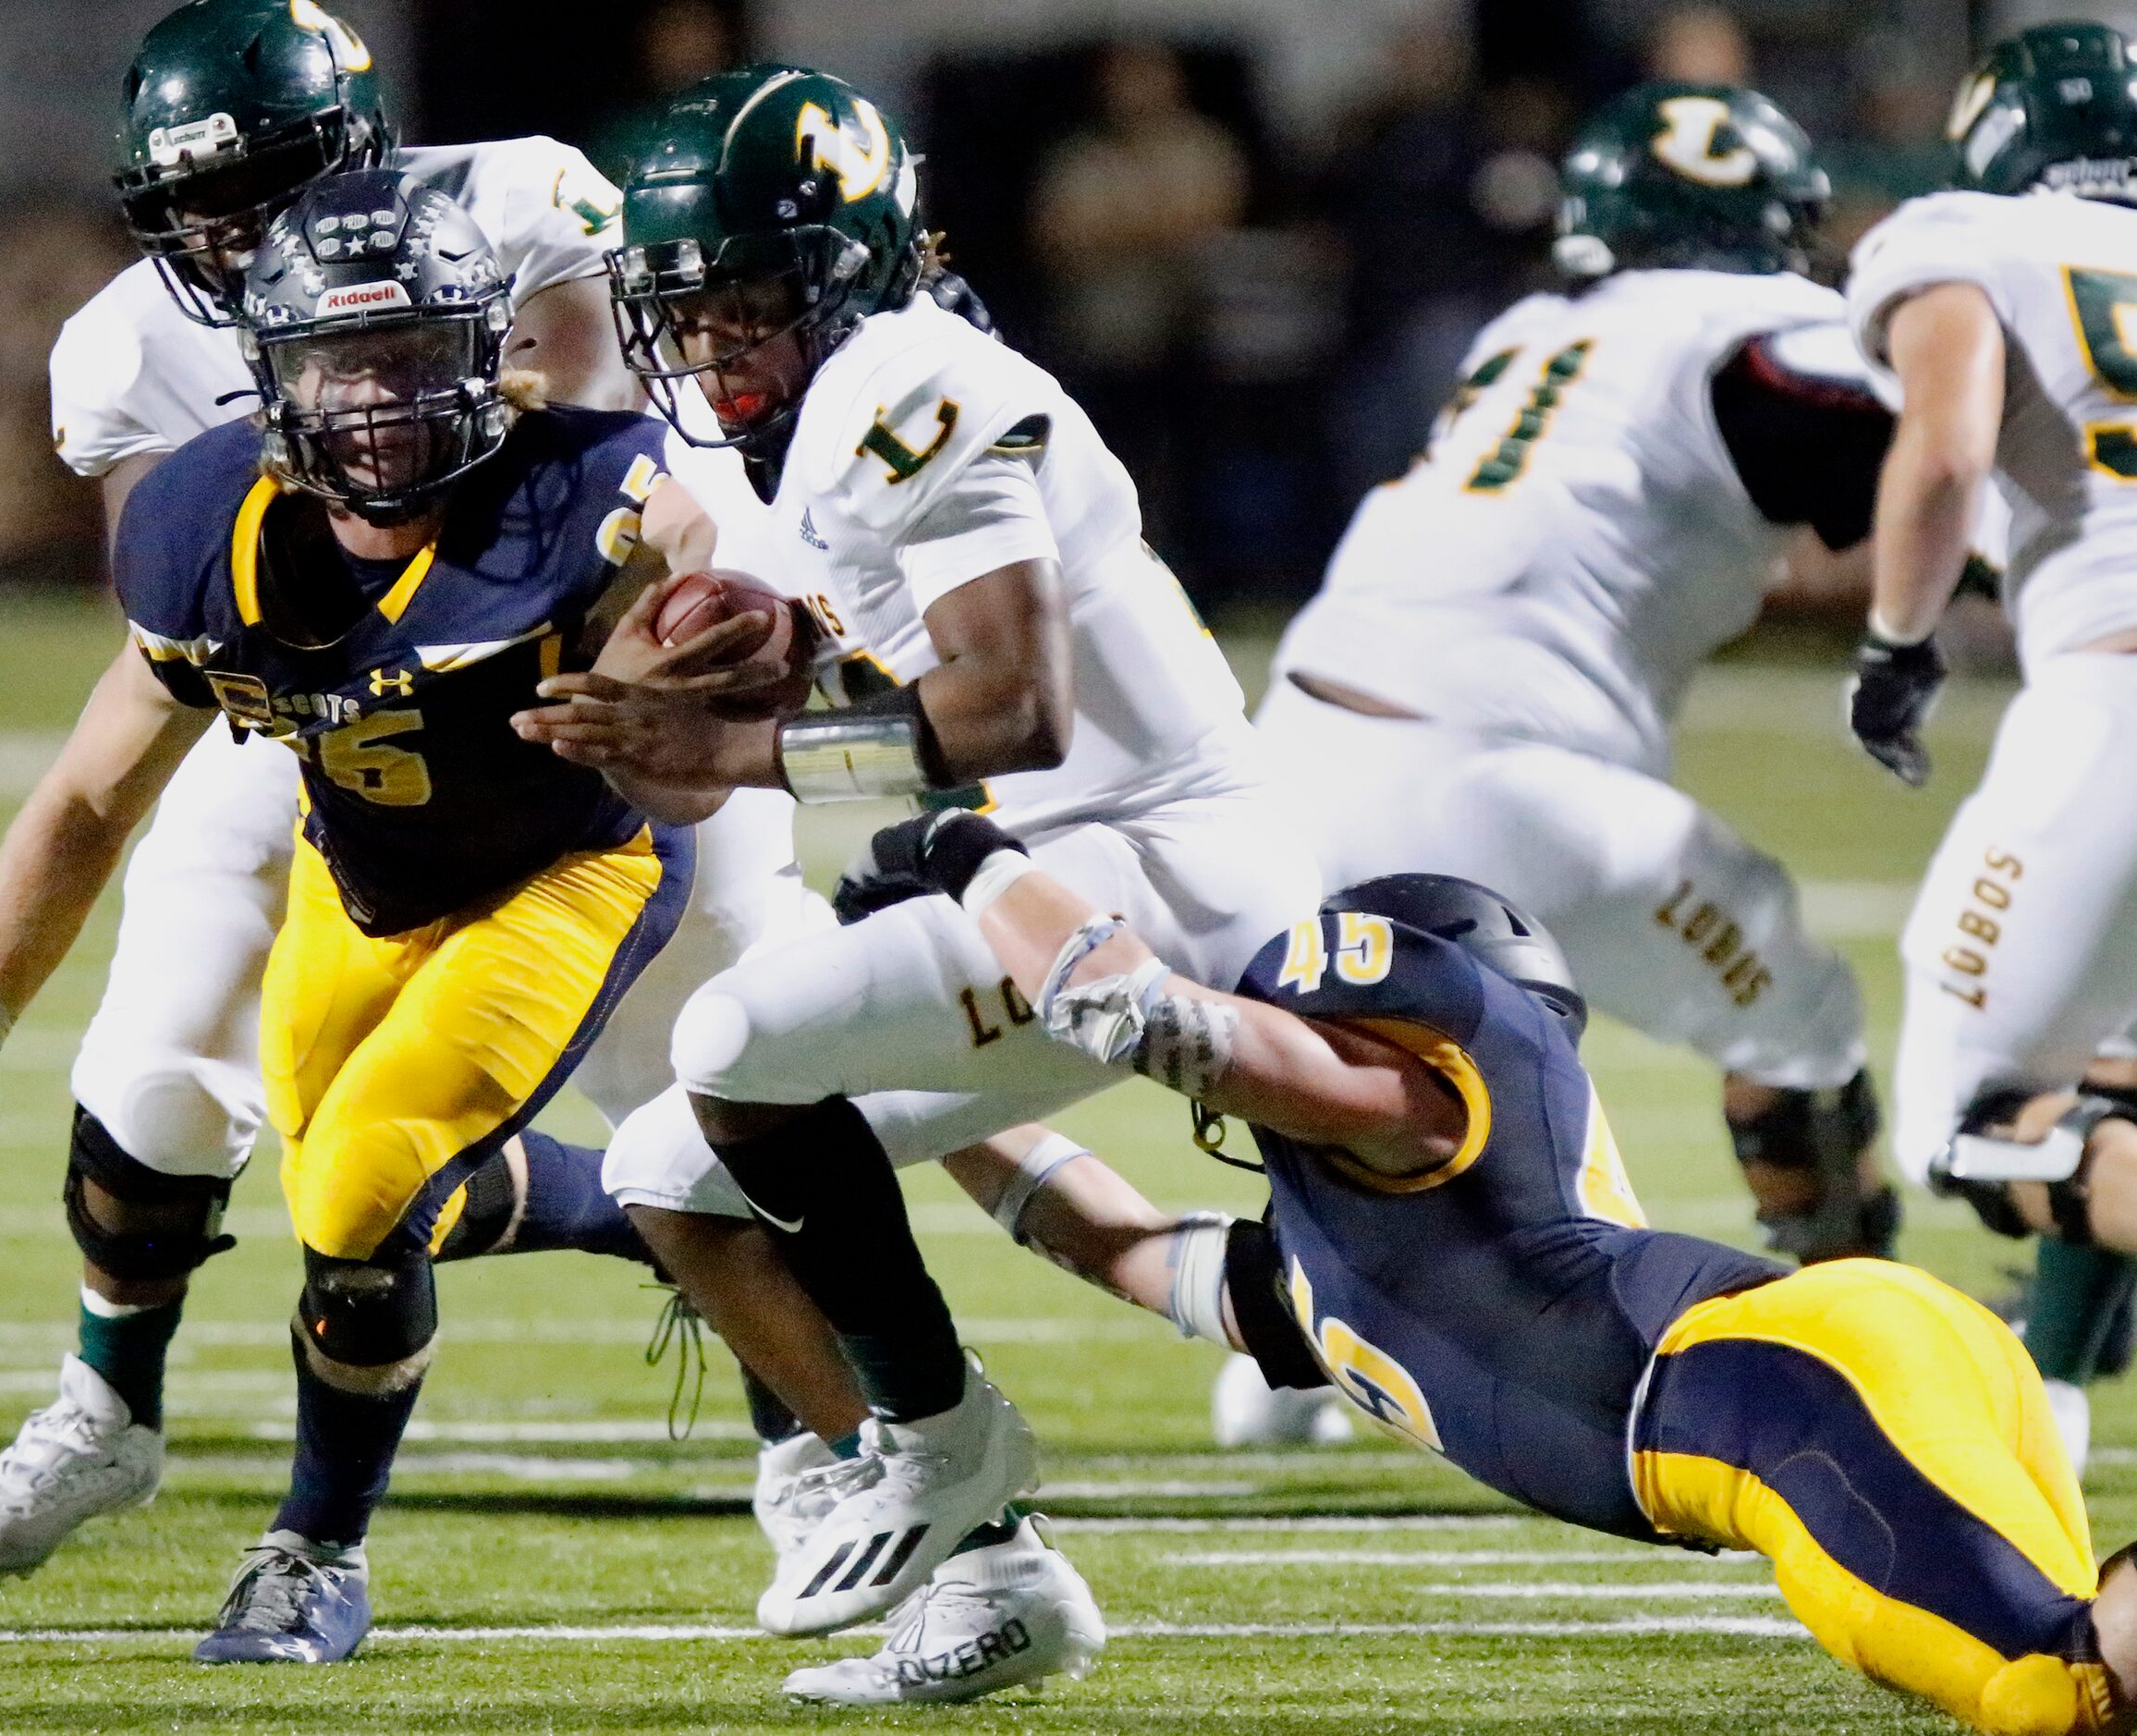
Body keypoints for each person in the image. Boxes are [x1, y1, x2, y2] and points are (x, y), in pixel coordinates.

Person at [515, 64, 1319, 1638]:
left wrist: (741, 746)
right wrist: (640, 726)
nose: (710, 342)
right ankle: (993, 1564)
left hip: (1154, 863)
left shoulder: (909, 378)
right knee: (670, 1166)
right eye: (684, 308)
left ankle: (947, 1440)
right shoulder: (780, 443)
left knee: (737, 1037)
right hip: (1020, 870)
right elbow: (717, 771)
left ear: (842, 267)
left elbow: (1015, 704)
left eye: (746, 297)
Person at [0, 173, 699, 1663]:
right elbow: (84, 797)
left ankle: (314, 1552)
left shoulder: (595, 490)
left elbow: (727, 571)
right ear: (274, 381)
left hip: (563, 871)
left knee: (361, 1184)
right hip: (356, 875)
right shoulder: (202, 525)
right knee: (366, 1185)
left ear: (481, 356)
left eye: (413, 359)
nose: (378, 405)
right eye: (341, 367)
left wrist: (706, 650)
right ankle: (668, 1203)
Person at [861, 803, 2137, 1736]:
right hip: (1828, 1368)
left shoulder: (1414, 1099)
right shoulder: (1338, 1258)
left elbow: (1150, 1018)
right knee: (2073, 1673)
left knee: (2050, 1688)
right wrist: (897, 1091)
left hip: (1790, 1392)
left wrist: (967, 856)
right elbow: (1108, 1236)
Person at [1234, 80, 1910, 1442]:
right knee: (1800, 1005)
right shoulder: (1750, 326)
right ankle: (1874, 1354)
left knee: (1432, 1066)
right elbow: (1890, 443)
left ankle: (1290, 1350)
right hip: (1495, 776)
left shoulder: (1536, 329)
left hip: (1289, 747)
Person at [1845, 18, 2137, 1473]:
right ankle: (2054, 1380)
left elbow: (1948, 450)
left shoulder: (1970, 233)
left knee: (1963, 1116)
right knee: (2116, 1063)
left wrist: (1898, 644)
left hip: (2120, 701)